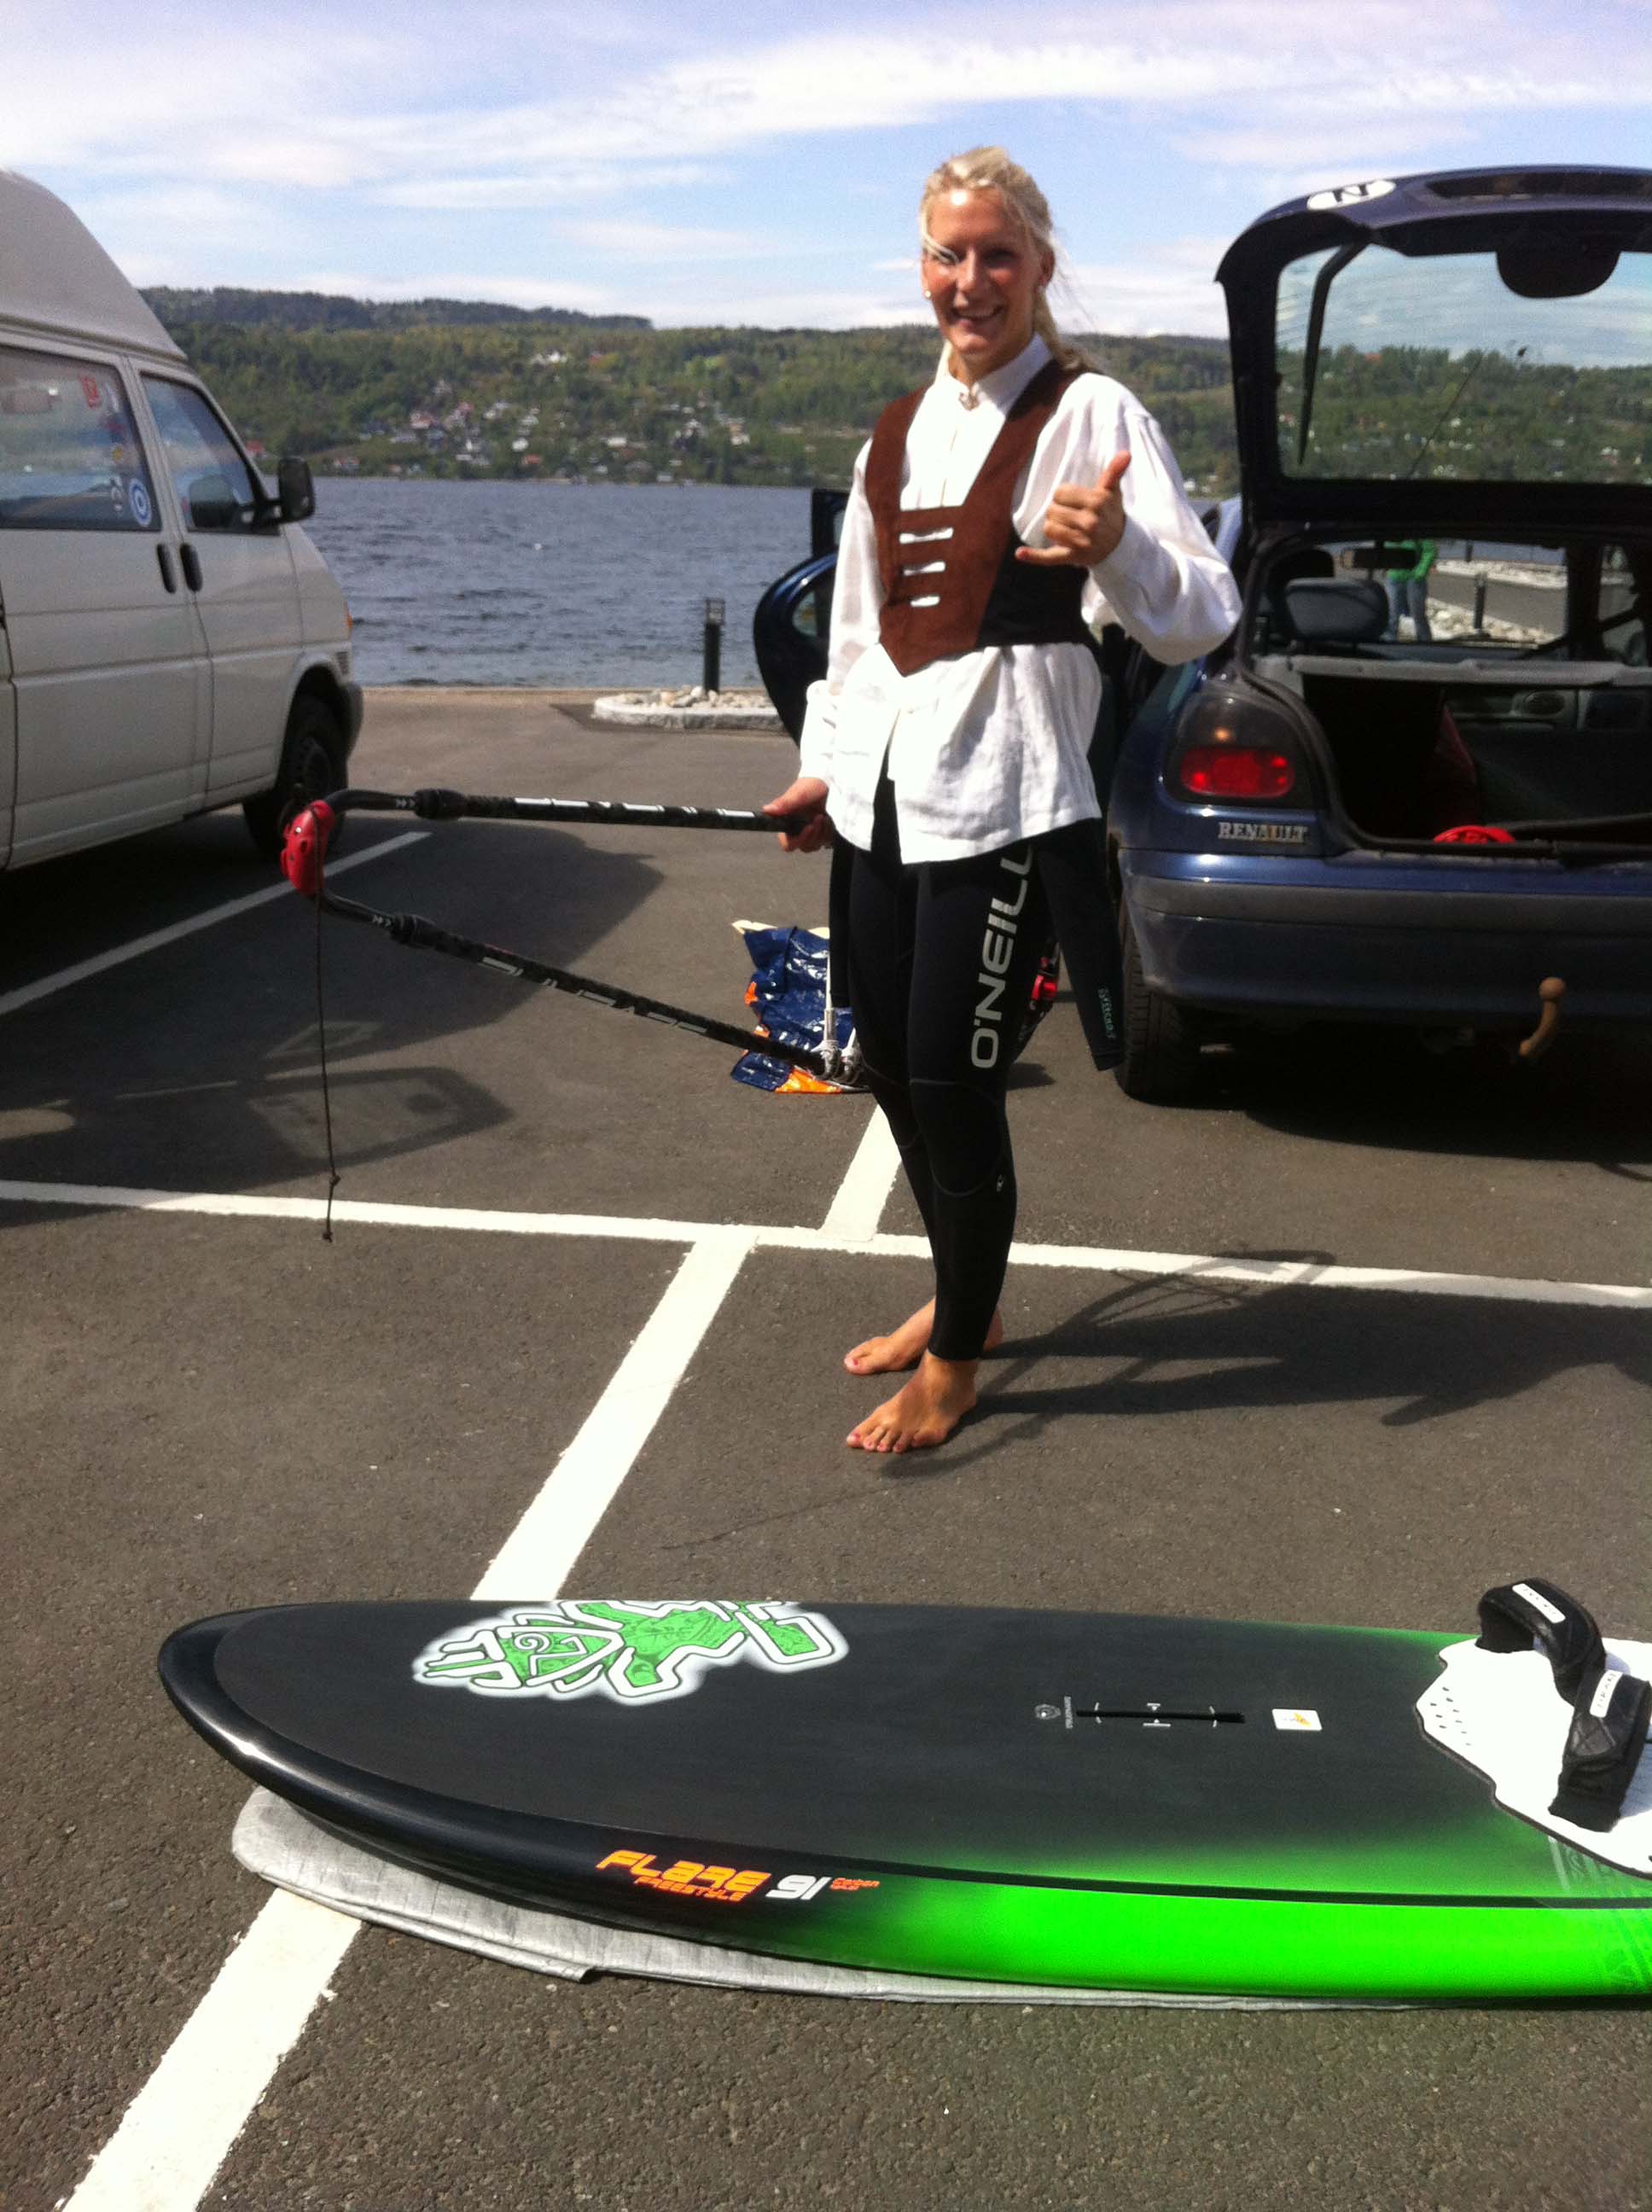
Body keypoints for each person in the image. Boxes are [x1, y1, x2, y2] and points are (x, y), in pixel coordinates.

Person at [764, 147, 1240, 1456]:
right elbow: (855, 638)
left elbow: (1205, 617)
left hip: (1008, 802)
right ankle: (958, 1287)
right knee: (887, 1073)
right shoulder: (895, 430)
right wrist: (824, 769)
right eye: (947, 255)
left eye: (995, 256)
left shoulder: (1094, 413)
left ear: (1038, 267)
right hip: (882, 801)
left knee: (954, 1081)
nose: (968, 281)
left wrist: (1120, 548)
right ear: (921, 265)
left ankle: (957, 1362)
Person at [1385, 539, 1436, 643]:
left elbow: (1430, 550)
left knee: (1418, 614)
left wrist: (1420, 572)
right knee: (1392, 614)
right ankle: (1389, 644)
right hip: (1393, 578)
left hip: (1414, 580)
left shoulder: (1417, 531)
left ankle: (1425, 644)